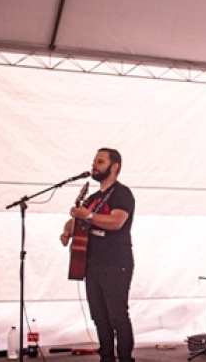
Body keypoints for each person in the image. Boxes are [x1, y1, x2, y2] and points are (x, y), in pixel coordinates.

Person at [60, 147, 136, 362]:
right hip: (92, 263)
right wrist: (67, 231)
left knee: (117, 316)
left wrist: (89, 216)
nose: (94, 165)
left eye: (100, 162)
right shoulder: (93, 197)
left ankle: (124, 358)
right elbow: (75, 219)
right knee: (99, 317)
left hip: (115, 263)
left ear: (114, 167)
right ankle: (106, 357)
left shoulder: (122, 193)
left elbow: (116, 221)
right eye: (94, 161)